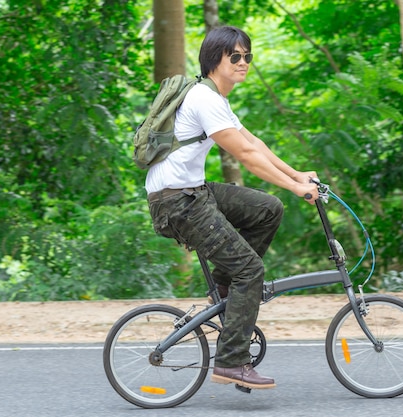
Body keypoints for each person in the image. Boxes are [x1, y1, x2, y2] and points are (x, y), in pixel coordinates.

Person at [146, 25, 319, 390]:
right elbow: (244, 156)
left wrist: (297, 174)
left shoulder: (216, 99)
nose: (243, 63)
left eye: (247, 56)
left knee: (267, 209)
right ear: (214, 60)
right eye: (235, 56)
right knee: (250, 272)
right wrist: (296, 188)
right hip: (177, 202)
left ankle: (226, 293)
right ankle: (231, 361)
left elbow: (253, 142)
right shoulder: (204, 99)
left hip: (192, 191)